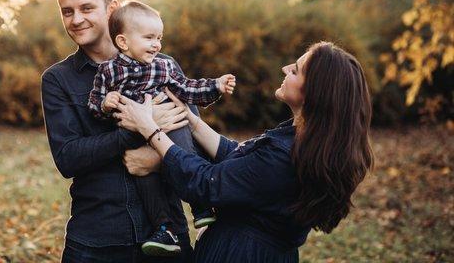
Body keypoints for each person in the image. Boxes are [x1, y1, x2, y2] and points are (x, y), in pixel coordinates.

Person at [114, 41, 375, 262]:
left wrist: (149, 129)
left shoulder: (284, 156)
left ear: (314, 93)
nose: (285, 69)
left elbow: (206, 183)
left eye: (295, 70)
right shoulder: (302, 138)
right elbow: (242, 158)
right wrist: (193, 122)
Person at [41, 0, 196, 262]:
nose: (76, 19)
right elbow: (68, 158)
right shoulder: (58, 79)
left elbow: (191, 140)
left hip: (167, 239)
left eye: (86, 8)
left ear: (111, 8)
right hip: (96, 240)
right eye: (67, 11)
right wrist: (138, 128)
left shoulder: (162, 65)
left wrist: (155, 159)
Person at [88, 0, 236, 256]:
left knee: (182, 139)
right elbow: (94, 104)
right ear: (123, 42)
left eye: (159, 38)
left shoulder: (164, 66)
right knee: (145, 179)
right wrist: (105, 103)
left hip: (168, 127)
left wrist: (215, 86)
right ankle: (164, 229)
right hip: (136, 138)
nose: (157, 44)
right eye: (149, 38)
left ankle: (200, 207)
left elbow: (187, 89)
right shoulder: (107, 72)